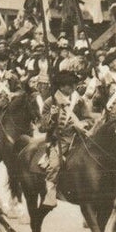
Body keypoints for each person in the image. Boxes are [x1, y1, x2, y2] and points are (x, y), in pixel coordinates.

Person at [38, 70, 88, 206]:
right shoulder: (50, 102)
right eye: (70, 85)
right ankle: (51, 191)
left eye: (74, 85)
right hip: (60, 140)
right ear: (61, 86)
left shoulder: (78, 100)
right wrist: (52, 117)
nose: (73, 88)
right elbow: (42, 127)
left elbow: (86, 116)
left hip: (79, 136)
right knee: (54, 165)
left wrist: (82, 124)